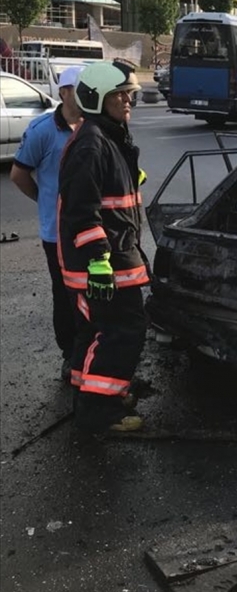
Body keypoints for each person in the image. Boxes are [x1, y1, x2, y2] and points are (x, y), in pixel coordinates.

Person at [57, 60, 149, 434]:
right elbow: (81, 212)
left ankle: (88, 391)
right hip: (104, 263)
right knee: (124, 331)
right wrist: (99, 264)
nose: (128, 100)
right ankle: (100, 410)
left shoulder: (106, 137)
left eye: (130, 94)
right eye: (119, 95)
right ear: (97, 99)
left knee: (92, 331)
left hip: (111, 257)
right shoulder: (92, 143)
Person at [10, 65, 85, 381]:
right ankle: (70, 356)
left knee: (92, 295)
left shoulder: (94, 127)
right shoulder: (42, 130)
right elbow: (19, 174)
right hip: (56, 234)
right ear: (64, 92)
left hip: (90, 229)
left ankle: (91, 352)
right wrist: (45, 200)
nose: (84, 95)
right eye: (78, 89)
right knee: (65, 296)